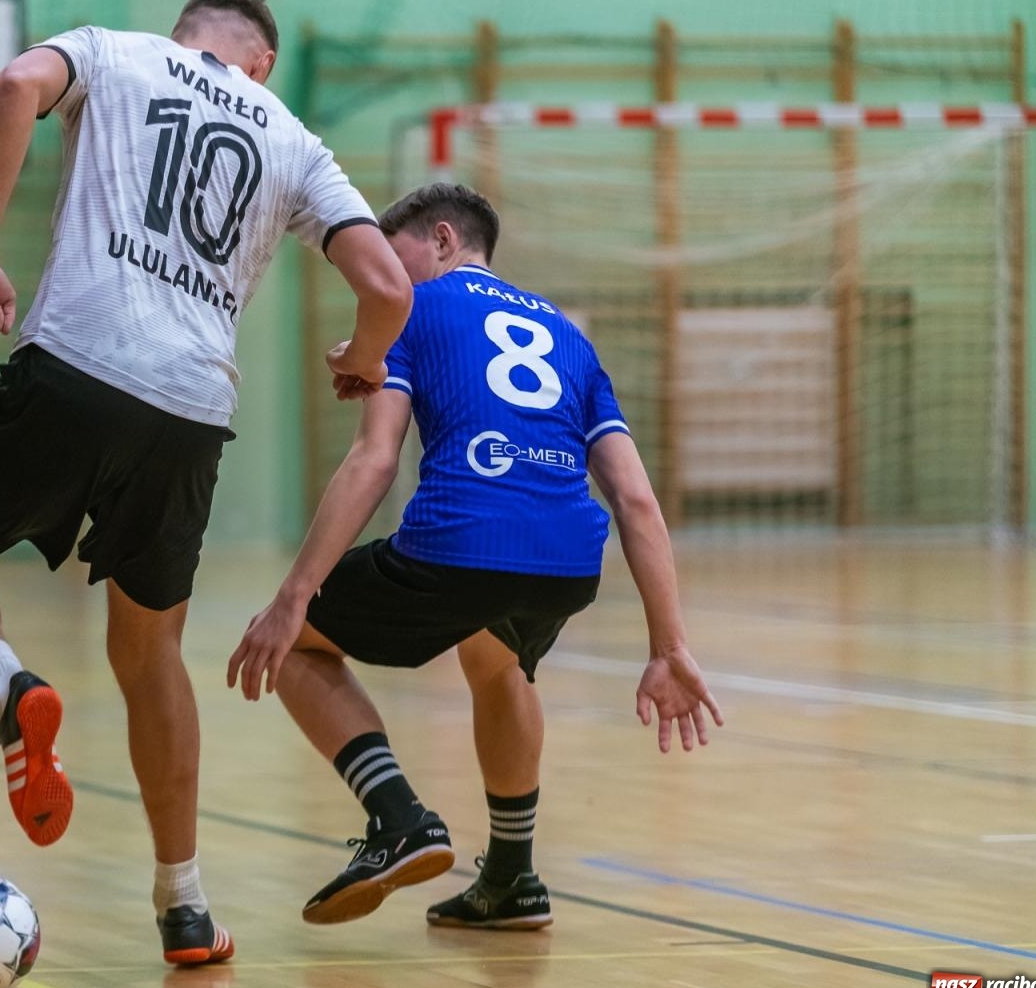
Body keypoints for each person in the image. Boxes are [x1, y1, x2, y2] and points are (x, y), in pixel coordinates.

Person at [0, 0, 412, 964]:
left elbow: (13, 85)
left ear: (187, 37)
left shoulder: (111, 53)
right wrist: (365, 361)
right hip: (188, 412)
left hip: (72, 367)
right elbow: (386, 285)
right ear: (260, 63)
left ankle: (8, 682)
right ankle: (183, 903)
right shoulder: (293, 139)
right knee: (148, 654)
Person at [227, 183, 721, 929]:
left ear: (445, 240)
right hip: (567, 562)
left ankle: (397, 817)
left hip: (460, 538)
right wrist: (669, 643)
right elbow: (636, 500)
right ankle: (511, 878)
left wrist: (294, 595)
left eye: (397, 262)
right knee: (496, 658)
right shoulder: (569, 336)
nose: (387, 283)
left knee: (294, 642)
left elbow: (373, 460)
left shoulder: (408, 309)